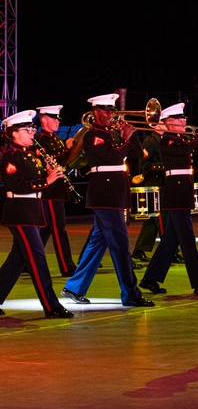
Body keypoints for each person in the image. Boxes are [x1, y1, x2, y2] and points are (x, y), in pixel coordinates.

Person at [61, 94, 154, 308]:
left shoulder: (111, 134)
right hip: (105, 194)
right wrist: (125, 138)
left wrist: (132, 135)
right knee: (121, 246)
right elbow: (112, 158)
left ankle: (74, 287)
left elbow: (138, 154)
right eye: (106, 110)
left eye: (112, 110)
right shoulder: (93, 134)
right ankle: (131, 294)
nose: (111, 114)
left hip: (114, 192)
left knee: (97, 242)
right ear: (95, 112)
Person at [138, 103, 198, 297]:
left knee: (170, 241)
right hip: (176, 194)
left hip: (182, 193)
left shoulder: (181, 139)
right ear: (167, 123)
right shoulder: (167, 141)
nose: (184, 121)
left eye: (183, 118)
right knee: (188, 241)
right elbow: (186, 149)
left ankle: (150, 278)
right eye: (179, 118)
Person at [0, 110, 74, 318]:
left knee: (18, 260)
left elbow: (42, 189)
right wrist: (46, 180)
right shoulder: (10, 158)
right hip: (20, 213)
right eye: (27, 129)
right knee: (37, 259)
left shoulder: (31, 156)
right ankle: (51, 306)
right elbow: (19, 186)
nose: (32, 132)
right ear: (14, 134)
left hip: (32, 212)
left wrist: (53, 175)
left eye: (32, 128)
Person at [34, 105, 77, 276]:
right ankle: (67, 267)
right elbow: (50, 159)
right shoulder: (40, 140)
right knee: (59, 229)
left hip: (56, 190)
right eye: (53, 118)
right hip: (49, 191)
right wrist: (67, 149)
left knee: (44, 229)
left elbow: (64, 161)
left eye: (58, 119)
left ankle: (25, 264)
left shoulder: (56, 139)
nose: (57, 122)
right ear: (43, 120)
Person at [131, 121, 168, 264]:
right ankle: (169, 251)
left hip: (161, 183)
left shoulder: (162, 140)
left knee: (153, 220)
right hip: (154, 183)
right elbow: (144, 165)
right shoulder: (150, 142)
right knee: (161, 219)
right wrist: (165, 166)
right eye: (163, 122)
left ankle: (139, 250)